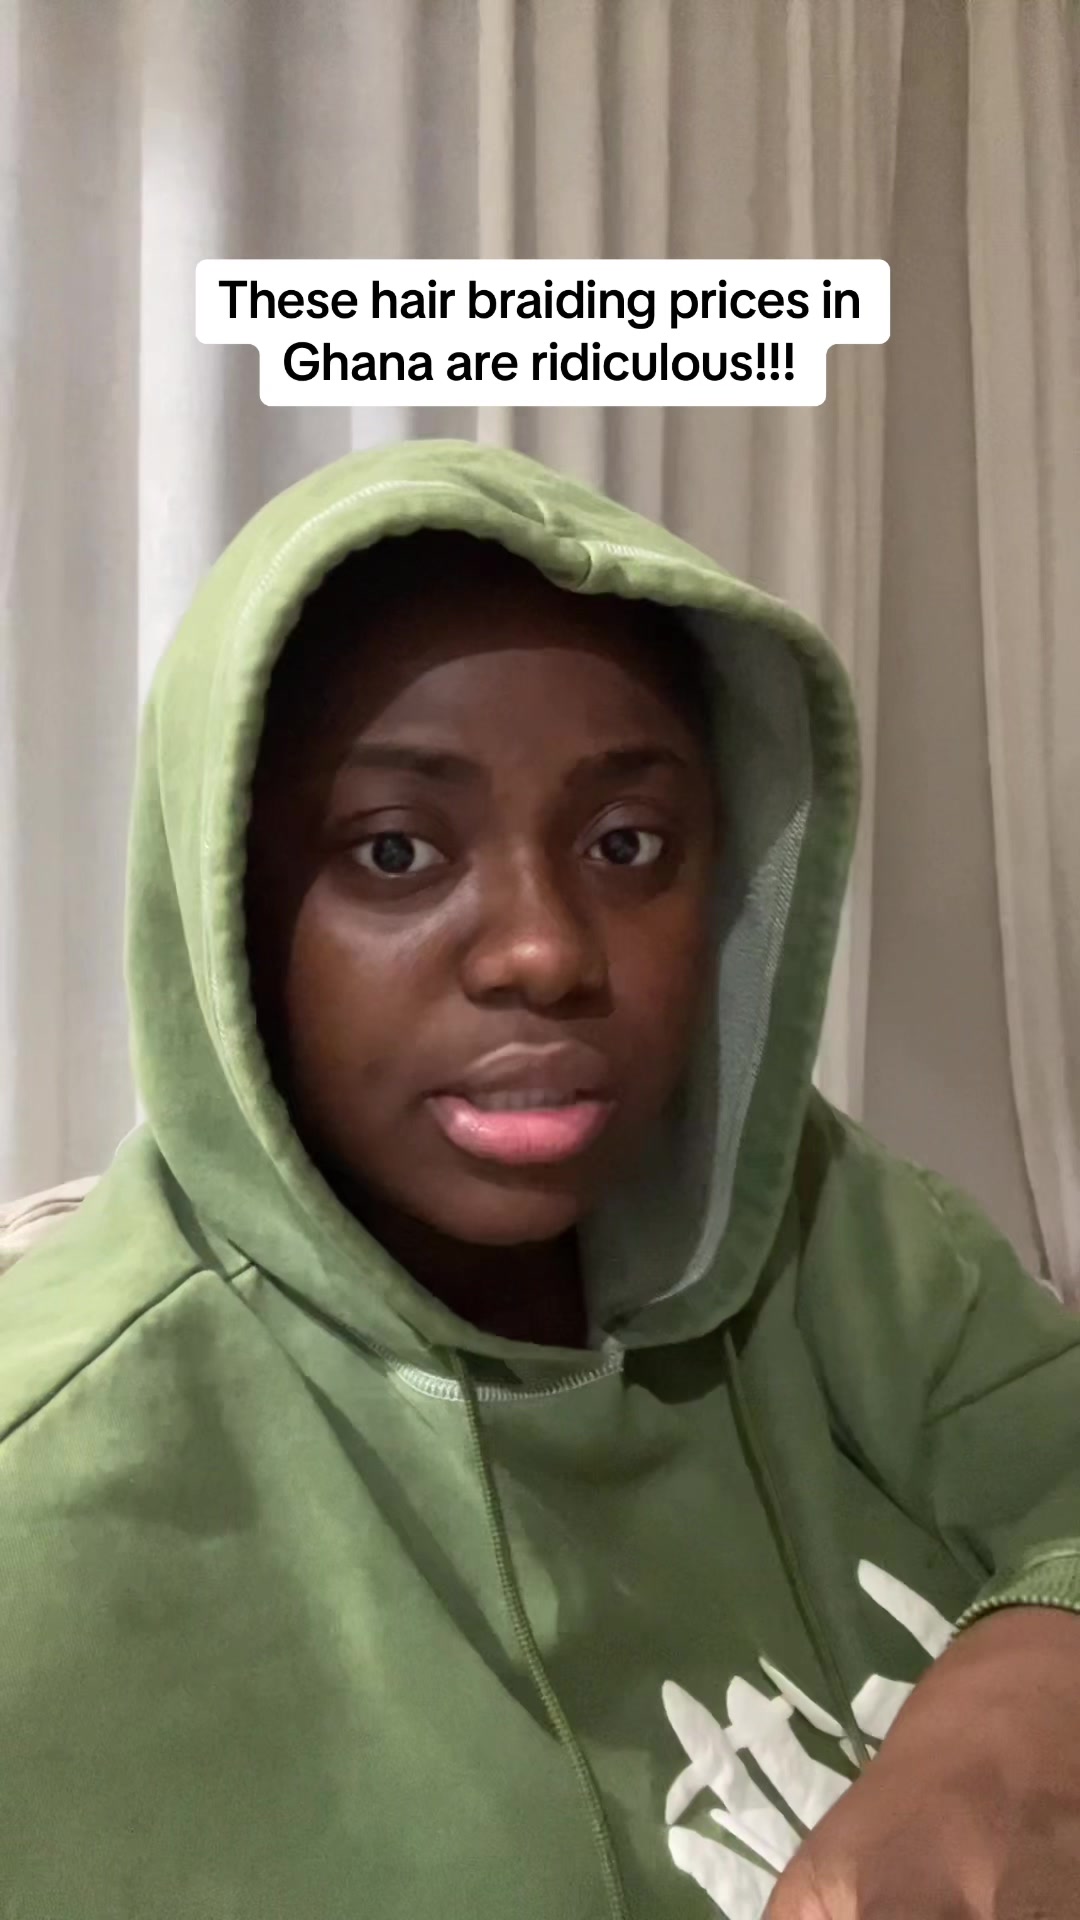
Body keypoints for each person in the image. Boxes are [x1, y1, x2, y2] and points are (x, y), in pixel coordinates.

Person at [1, 439, 1077, 1920]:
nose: (547, 952)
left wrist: (1020, 1714)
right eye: (395, 851)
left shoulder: (809, 1223)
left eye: (629, 844)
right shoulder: (47, 1508)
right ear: (229, 911)